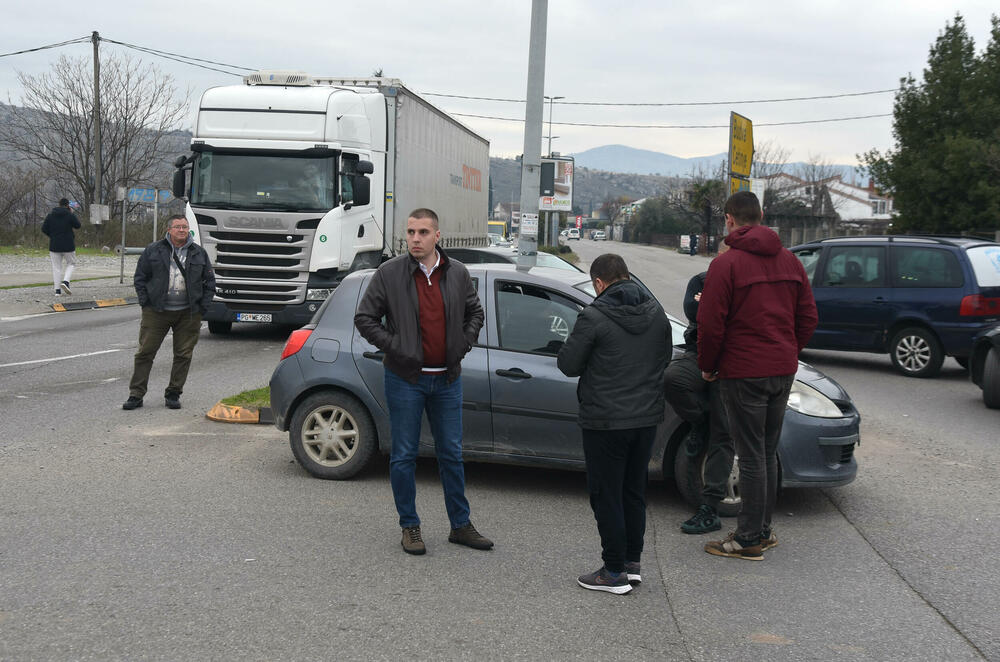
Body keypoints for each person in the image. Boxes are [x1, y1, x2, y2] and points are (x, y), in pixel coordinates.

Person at [354, 208, 490, 556]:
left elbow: (475, 312)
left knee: (451, 455)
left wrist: (462, 344)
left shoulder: (457, 273)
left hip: (446, 380)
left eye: (423, 232)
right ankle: (409, 526)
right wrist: (395, 345)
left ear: (437, 236)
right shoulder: (389, 273)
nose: (415, 238)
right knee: (402, 456)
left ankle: (460, 525)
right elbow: (365, 318)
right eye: (411, 232)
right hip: (405, 379)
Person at [697, 191, 817, 560]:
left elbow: (710, 323)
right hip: (781, 369)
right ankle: (763, 530)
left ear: (730, 219)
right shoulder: (791, 262)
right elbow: (809, 317)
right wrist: (786, 350)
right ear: (761, 215)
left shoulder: (726, 265)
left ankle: (747, 539)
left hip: (744, 371)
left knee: (749, 456)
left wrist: (709, 365)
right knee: (765, 452)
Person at [557, 253, 670, 595]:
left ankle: (612, 572)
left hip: (605, 421)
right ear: (627, 276)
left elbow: (568, 364)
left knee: (606, 495)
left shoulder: (593, 316)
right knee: (633, 492)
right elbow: (663, 358)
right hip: (646, 419)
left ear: (599, 283)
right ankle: (632, 563)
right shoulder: (657, 313)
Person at [663, 271, 735, 535]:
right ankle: (699, 423)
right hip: (700, 355)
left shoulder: (744, 281)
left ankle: (710, 507)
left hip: (733, 363)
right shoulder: (702, 279)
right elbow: (694, 312)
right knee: (672, 379)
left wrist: (714, 306)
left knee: (723, 433)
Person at [122, 215, 215, 411]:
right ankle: (136, 394)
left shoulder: (199, 253)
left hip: (188, 314)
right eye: (178, 227)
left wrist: (202, 308)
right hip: (156, 311)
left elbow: (210, 282)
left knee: (183, 355)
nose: (182, 230)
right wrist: (145, 303)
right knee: (145, 353)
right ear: (169, 229)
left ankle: (174, 393)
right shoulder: (153, 250)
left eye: (185, 227)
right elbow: (140, 278)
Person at [41, 198, 81, 296]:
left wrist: (52, 236)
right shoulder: (69, 215)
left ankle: (57, 291)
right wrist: (72, 214)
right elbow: (78, 225)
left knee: (56, 268)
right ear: (67, 205)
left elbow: (43, 229)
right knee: (71, 263)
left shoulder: (50, 215)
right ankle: (66, 282)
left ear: (59, 204)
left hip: (54, 245)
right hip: (68, 245)